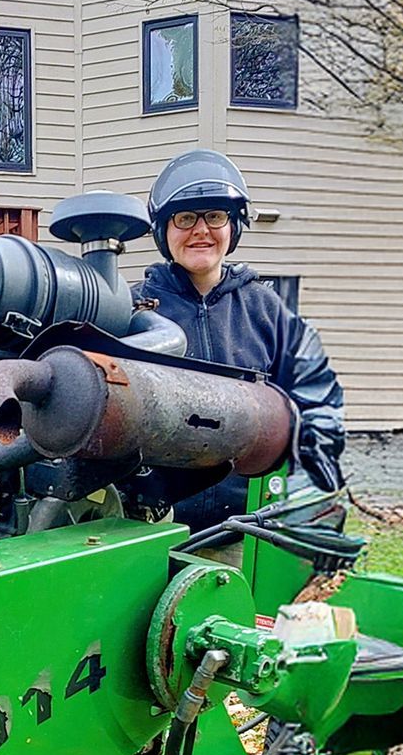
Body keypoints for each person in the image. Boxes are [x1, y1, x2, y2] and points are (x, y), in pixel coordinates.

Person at [136, 149, 346, 513]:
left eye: (215, 216)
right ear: (162, 230)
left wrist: (312, 482)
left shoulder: (266, 311)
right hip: (150, 528)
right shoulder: (132, 312)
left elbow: (316, 397)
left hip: (246, 529)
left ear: (234, 226)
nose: (201, 231)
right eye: (185, 218)